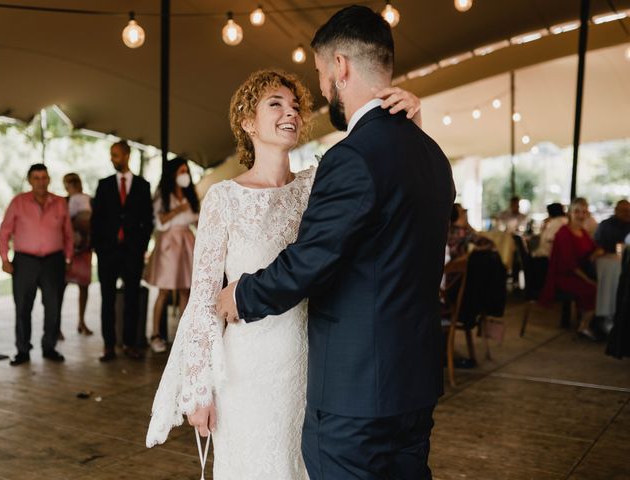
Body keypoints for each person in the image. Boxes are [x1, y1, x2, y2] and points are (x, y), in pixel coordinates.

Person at [146, 64, 424, 480]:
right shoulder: (224, 199)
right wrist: (198, 387)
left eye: (295, 105)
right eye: (275, 104)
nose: (290, 113)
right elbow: (203, 299)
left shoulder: (320, 185)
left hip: (314, 368)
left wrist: (410, 124)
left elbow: (379, 174)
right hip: (246, 372)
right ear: (246, 121)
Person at [216, 6, 454, 479]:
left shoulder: (352, 157)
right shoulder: (432, 154)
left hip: (357, 390)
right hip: (414, 385)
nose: (322, 88)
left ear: (341, 66)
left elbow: (311, 261)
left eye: (322, 74)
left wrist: (241, 294)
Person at [0, 163, 73, 365]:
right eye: (36, 178)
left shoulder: (59, 203)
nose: (41, 182)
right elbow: (4, 232)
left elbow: (68, 233)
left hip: (54, 261)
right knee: (22, 307)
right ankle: (23, 350)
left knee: (53, 306)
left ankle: (49, 347)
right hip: (25, 261)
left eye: (44, 177)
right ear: (30, 180)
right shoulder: (18, 202)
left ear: (49, 179)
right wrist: (4, 259)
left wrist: (67, 258)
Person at [92, 140, 153, 362]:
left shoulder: (142, 186)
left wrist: (141, 246)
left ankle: (129, 343)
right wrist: (99, 248)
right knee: (106, 299)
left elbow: (148, 220)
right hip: (108, 252)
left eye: (116, 155)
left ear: (127, 155)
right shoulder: (104, 184)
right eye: (111, 155)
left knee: (132, 300)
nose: (112, 159)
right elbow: (96, 219)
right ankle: (109, 345)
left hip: (132, 252)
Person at [143, 157, 199, 353]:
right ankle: (155, 333)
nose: (184, 174)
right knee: (164, 290)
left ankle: (183, 333)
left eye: (186, 171)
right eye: (181, 170)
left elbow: (195, 219)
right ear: (173, 173)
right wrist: (177, 209)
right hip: (169, 242)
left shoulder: (190, 194)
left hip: (187, 241)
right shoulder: (163, 195)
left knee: (186, 289)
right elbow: (160, 221)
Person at [540, 197, 604, 340]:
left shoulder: (583, 232)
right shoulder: (564, 233)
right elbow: (571, 265)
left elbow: (597, 248)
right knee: (594, 288)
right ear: (569, 213)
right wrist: (589, 280)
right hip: (564, 276)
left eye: (584, 212)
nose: (581, 215)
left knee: (601, 286)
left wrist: (596, 253)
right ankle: (585, 326)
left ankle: (590, 322)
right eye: (577, 211)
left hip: (578, 273)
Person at [62, 173, 94, 336]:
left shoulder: (89, 200)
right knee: (61, 288)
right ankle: (57, 326)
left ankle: (82, 321)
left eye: (75, 181)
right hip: (68, 251)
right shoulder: (62, 202)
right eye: (69, 182)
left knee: (84, 287)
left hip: (85, 251)